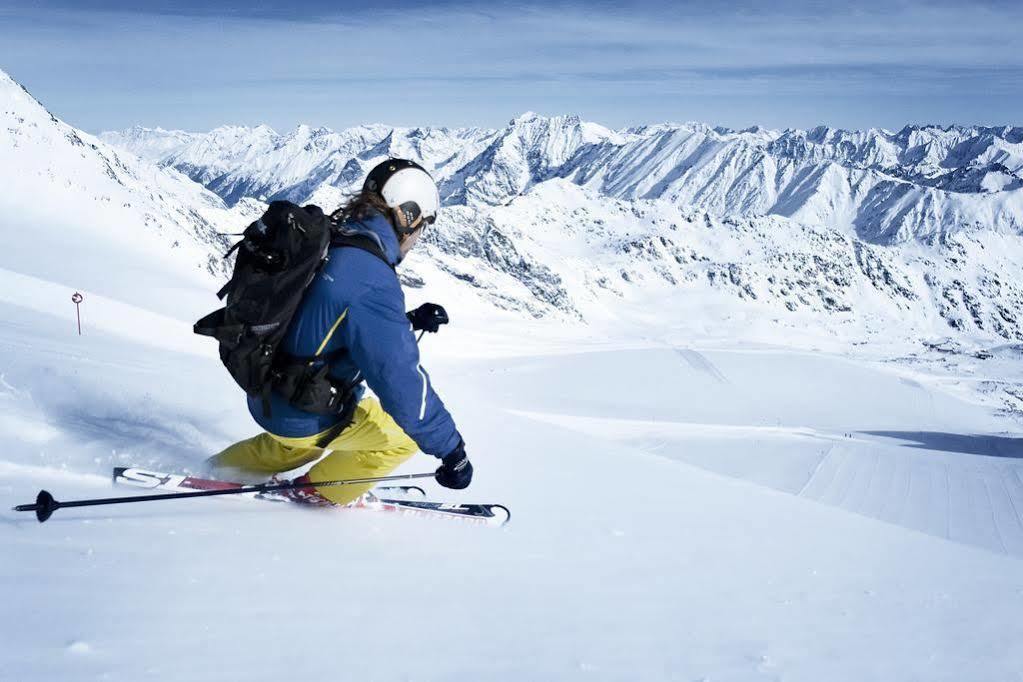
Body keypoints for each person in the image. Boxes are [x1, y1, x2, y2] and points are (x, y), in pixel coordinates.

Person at [205, 159, 472, 505]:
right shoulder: (371, 281)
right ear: (407, 215)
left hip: (266, 388)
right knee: (399, 439)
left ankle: (216, 469)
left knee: (291, 445)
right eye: (424, 224)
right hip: (303, 411)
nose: (420, 236)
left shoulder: (334, 235)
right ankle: (318, 491)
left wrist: (404, 321)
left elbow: (322, 316)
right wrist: (452, 450)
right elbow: (399, 379)